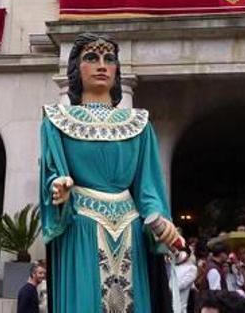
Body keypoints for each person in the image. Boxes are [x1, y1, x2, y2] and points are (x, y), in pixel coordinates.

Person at [40, 34, 181, 312]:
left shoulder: (139, 123)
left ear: (117, 70)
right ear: (76, 69)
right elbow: (52, 173)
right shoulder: (56, 121)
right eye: (91, 58)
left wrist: (160, 222)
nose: (102, 65)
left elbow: (148, 187)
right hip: (82, 226)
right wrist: (58, 187)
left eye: (109, 59)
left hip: (131, 229)